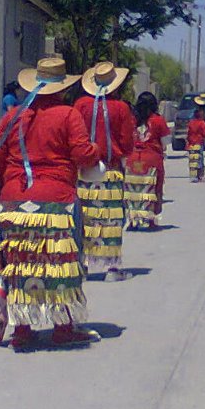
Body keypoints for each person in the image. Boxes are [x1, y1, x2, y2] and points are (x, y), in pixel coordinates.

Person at [0, 56, 99, 350]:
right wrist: (96, 149)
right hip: (56, 202)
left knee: (20, 263)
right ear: (63, 87)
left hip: (15, 202)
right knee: (60, 264)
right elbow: (83, 155)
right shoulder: (68, 115)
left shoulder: (13, 116)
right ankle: (62, 327)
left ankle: (22, 329)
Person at [73, 61, 136, 281]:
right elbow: (127, 143)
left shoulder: (80, 105)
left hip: (84, 172)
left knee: (85, 219)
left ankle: (83, 264)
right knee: (112, 219)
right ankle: (112, 268)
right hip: (110, 170)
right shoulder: (121, 108)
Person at [124, 91, 170, 230]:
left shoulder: (132, 120)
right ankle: (150, 220)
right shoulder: (158, 120)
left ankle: (132, 221)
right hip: (152, 159)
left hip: (132, 158)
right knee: (153, 189)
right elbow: (165, 142)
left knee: (132, 190)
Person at [186, 108, 205, 181]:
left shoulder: (191, 123)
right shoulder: (203, 123)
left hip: (191, 144)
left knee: (192, 159)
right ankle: (200, 176)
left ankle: (193, 175)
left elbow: (188, 133)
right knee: (200, 160)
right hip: (199, 143)